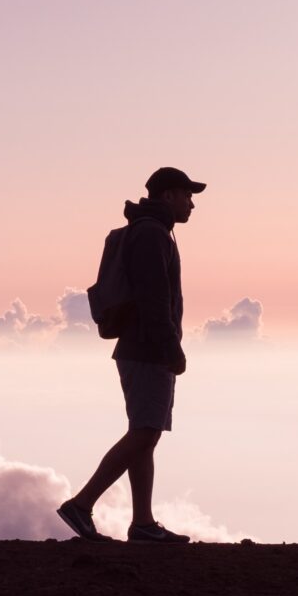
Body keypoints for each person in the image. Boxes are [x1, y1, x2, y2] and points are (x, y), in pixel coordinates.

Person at [58, 167, 205, 544]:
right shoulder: (152, 235)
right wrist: (172, 349)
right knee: (145, 431)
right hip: (147, 349)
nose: (192, 204)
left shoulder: (152, 232)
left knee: (145, 432)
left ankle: (142, 523)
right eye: (187, 195)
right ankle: (81, 504)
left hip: (139, 348)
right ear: (168, 196)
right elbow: (154, 299)